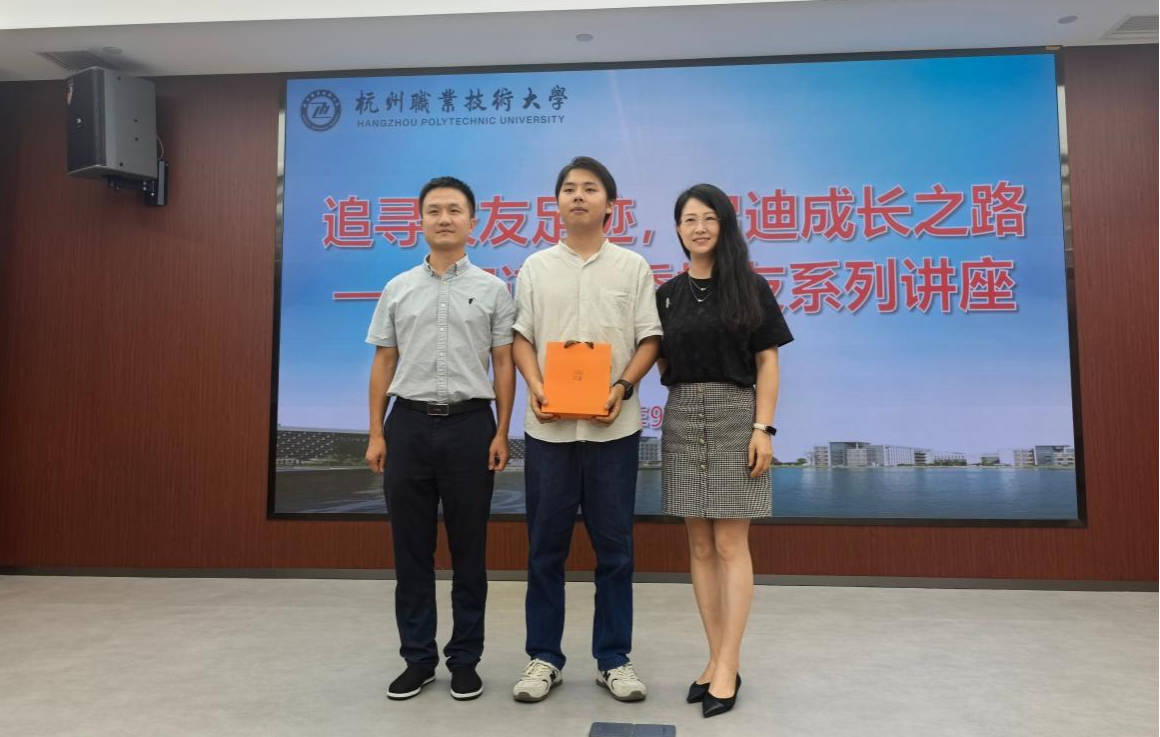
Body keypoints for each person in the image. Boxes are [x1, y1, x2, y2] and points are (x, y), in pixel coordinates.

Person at [510, 156, 663, 703]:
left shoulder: (633, 267)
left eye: (590, 189)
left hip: (613, 432)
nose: (578, 196)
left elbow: (650, 339)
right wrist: (536, 386)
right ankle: (543, 658)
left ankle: (614, 659)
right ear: (556, 203)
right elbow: (521, 338)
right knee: (544, 551)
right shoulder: (535, 268)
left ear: (609, 205)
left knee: (615, 552)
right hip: (549, 431)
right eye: (569, 189)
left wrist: (622, 386)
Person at [364, 176, 516, 702]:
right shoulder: (397, 288)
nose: (444, 218)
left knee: (470, 551)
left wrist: (502, 430)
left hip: (471, 426)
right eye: (434, 210)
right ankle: (418, 659)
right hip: (406, 425)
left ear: (473, 222)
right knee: (411, 552)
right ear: (421, 220)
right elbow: (384, 361)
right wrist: (376, 432)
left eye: (454, 210)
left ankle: (465, 659)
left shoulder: (495, 289)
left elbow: (503, 364)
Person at [655, 183, 793, 718]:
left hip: (738, 416)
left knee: (732, 544)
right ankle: (714, 658)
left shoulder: (750, 287)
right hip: (682, 416)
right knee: (699, 547)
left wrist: (764, 428)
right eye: (689, 219)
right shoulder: (666, 294)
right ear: (678, 229)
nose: (699, 228)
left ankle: (729, 664)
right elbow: (661, 359)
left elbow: (768, 362)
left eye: (709, 218)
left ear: (725, 225)